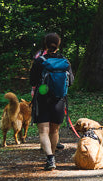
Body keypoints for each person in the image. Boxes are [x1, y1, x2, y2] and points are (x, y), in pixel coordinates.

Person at [29, 32, 74, 171]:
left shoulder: (40, 61)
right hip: (59, 100)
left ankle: (50, 158)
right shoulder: (65, 61)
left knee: (43, 131)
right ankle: (53, 156)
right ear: (58, 45)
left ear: (45, 45)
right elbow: (71, 81)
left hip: (42, 99)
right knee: (54, 131)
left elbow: (33, 81)